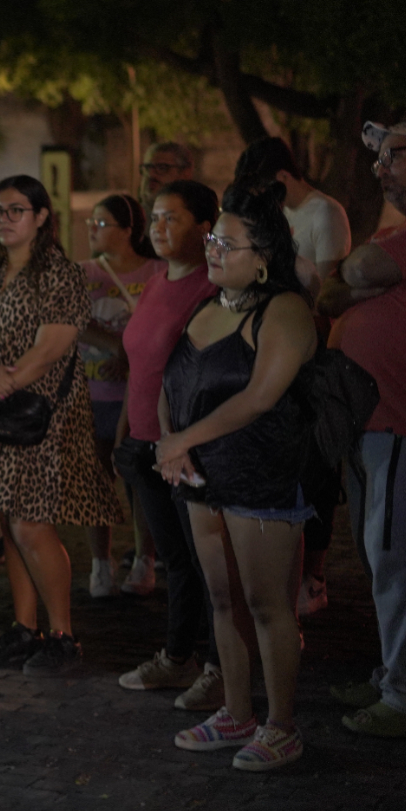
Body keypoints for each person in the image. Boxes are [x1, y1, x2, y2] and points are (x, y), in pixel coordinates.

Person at [160, 182, 318, 771]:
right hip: (201, 477)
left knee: (266, 602)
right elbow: (173, 382)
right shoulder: (207, 306)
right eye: (212, 240)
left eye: (227, 242)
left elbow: (259, 397)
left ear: (264, 256)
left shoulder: (285, 310)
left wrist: (180, 440)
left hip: (260, 474)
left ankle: (282, 724)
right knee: (222, 599)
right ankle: (235, 710)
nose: (213, 250)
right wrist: (170, 444)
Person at [0, 175, 122, 675]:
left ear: (42, 217)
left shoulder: (58, 274)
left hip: (36, 414)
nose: (4, 219)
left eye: (16, 210)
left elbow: (48, 353)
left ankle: (64, 636)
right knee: (6, 518)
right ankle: (25, 630)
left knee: (29, 521)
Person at [319, 116, 406, 738]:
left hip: (405, 415)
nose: (379, 170)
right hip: (379, 417)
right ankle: (398, 673)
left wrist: (352, 282)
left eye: (391, 156)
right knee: (385, 555)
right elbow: (345, 284)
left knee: (397, 554)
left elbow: (359, 272)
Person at [114, 180, 223, 708]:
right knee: (177, 560)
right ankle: (181, 658)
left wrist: (176, 441)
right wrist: (128, 434)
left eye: (171, 218)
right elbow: (141, 365)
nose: (157, 228)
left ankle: (217, 666)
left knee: (205, 563)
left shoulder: (210, 289)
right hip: (143, 444)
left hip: (184, 447)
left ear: (206, 228)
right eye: (154, 218)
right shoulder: (159, 280)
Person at [234, 135, 353, 617]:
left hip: (312, 351)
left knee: (318, 468)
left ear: (281, 178)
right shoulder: (274, 215)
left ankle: (315, 575)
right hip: (274, 346)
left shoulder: (324, 213)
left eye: (263, 187)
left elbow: (327, 294)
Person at [77, 194, 163, 597]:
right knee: (95, 480)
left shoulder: (158, 272)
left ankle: (145, 559)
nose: (92, 230)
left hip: (141, 396)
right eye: (91, 223)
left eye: (102, 223)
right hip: (91, 392)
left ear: (129, 230)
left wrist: (131, 357)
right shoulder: (81, 273)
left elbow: (167, 329)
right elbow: (71, 323)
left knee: (140, 481)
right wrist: (116, 347)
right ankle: (100, 564)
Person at [139, 141, 195, 215]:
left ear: (185, 173)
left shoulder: (202, 218)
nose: (151, 174)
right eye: (148, 168)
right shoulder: (133, 219)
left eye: (162, 168)